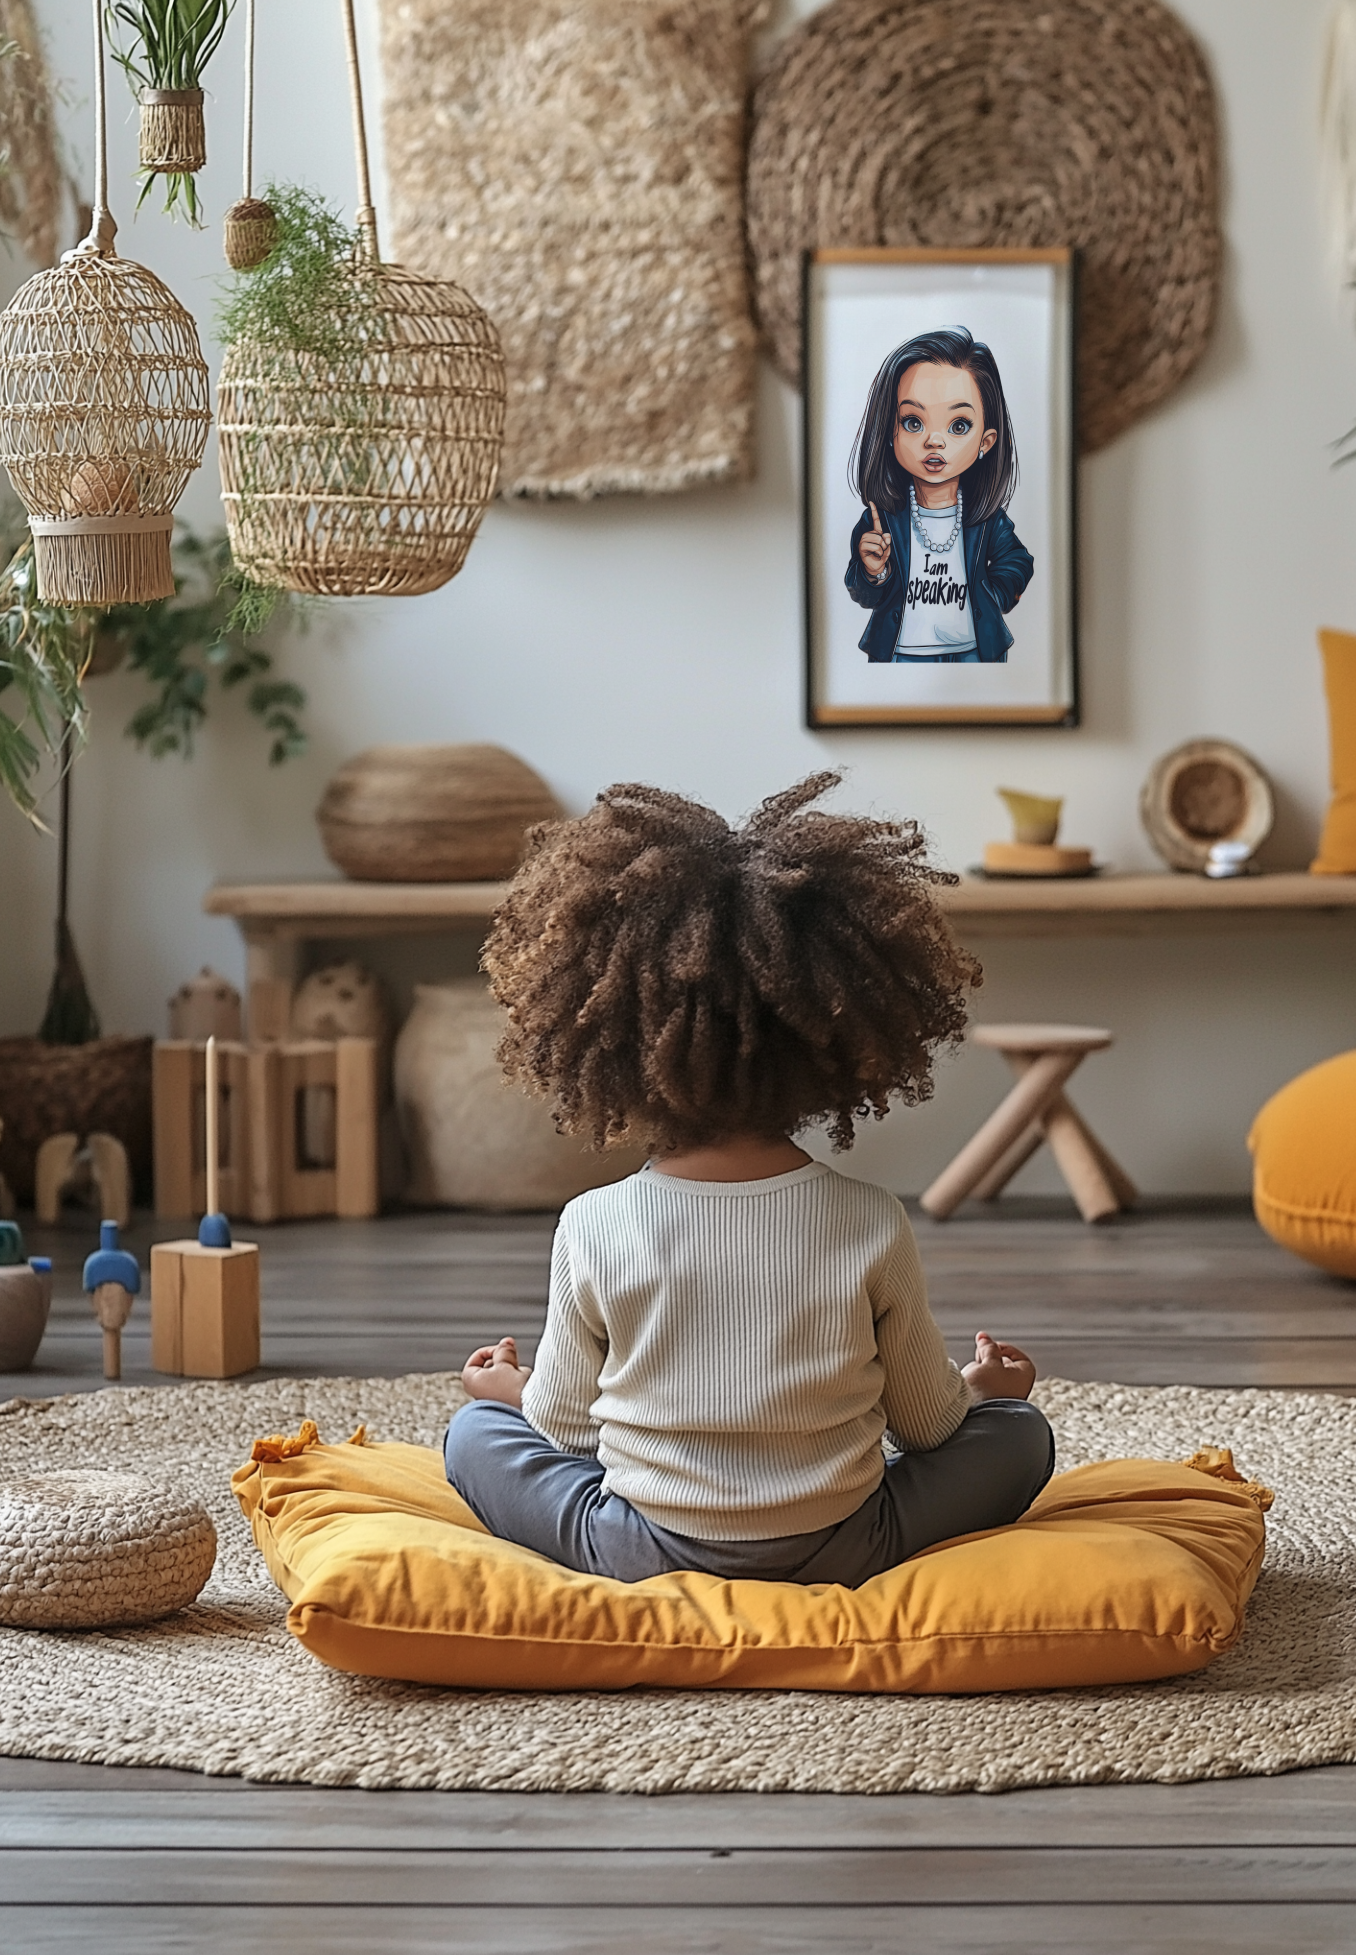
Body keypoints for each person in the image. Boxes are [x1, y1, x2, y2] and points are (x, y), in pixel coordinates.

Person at [444, 772, 1056, 1588]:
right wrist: (982, 1389)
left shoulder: (593, 1222)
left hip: (635, 1547)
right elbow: (926, 1424)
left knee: (472, 1435)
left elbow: (562, 1429)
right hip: (847, 1545)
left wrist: (506, 1386)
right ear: (837, 1034)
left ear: (614, 1049)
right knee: (1020, 1436)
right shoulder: (868, 1219)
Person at [843, 325, 1035, 665]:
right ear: (891, 432)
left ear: (985, 443)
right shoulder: (883, 517)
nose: (935, 440)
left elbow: (1017, 562)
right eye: (913, 422)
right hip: (900, 656)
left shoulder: (986, 519)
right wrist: (874, 570)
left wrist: (992, 597)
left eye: (958, 426)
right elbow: (862, 591)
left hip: (975, 654)